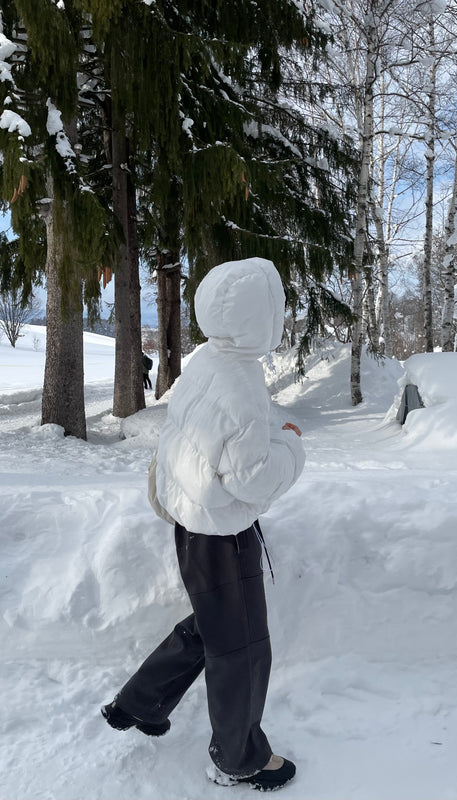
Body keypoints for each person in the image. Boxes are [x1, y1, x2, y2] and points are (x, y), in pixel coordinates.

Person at [102, 258, 305, 792]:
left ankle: (140, 702)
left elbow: (200, 437)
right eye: (276, 307)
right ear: (259, 318)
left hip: (193, 526)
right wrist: (290, 442)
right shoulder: (239, 383)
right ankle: (238, 759)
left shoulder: (208, 362)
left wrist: (264, 427)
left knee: (215, 627)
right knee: (241, 649)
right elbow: (254, 481)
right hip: (223, 537)